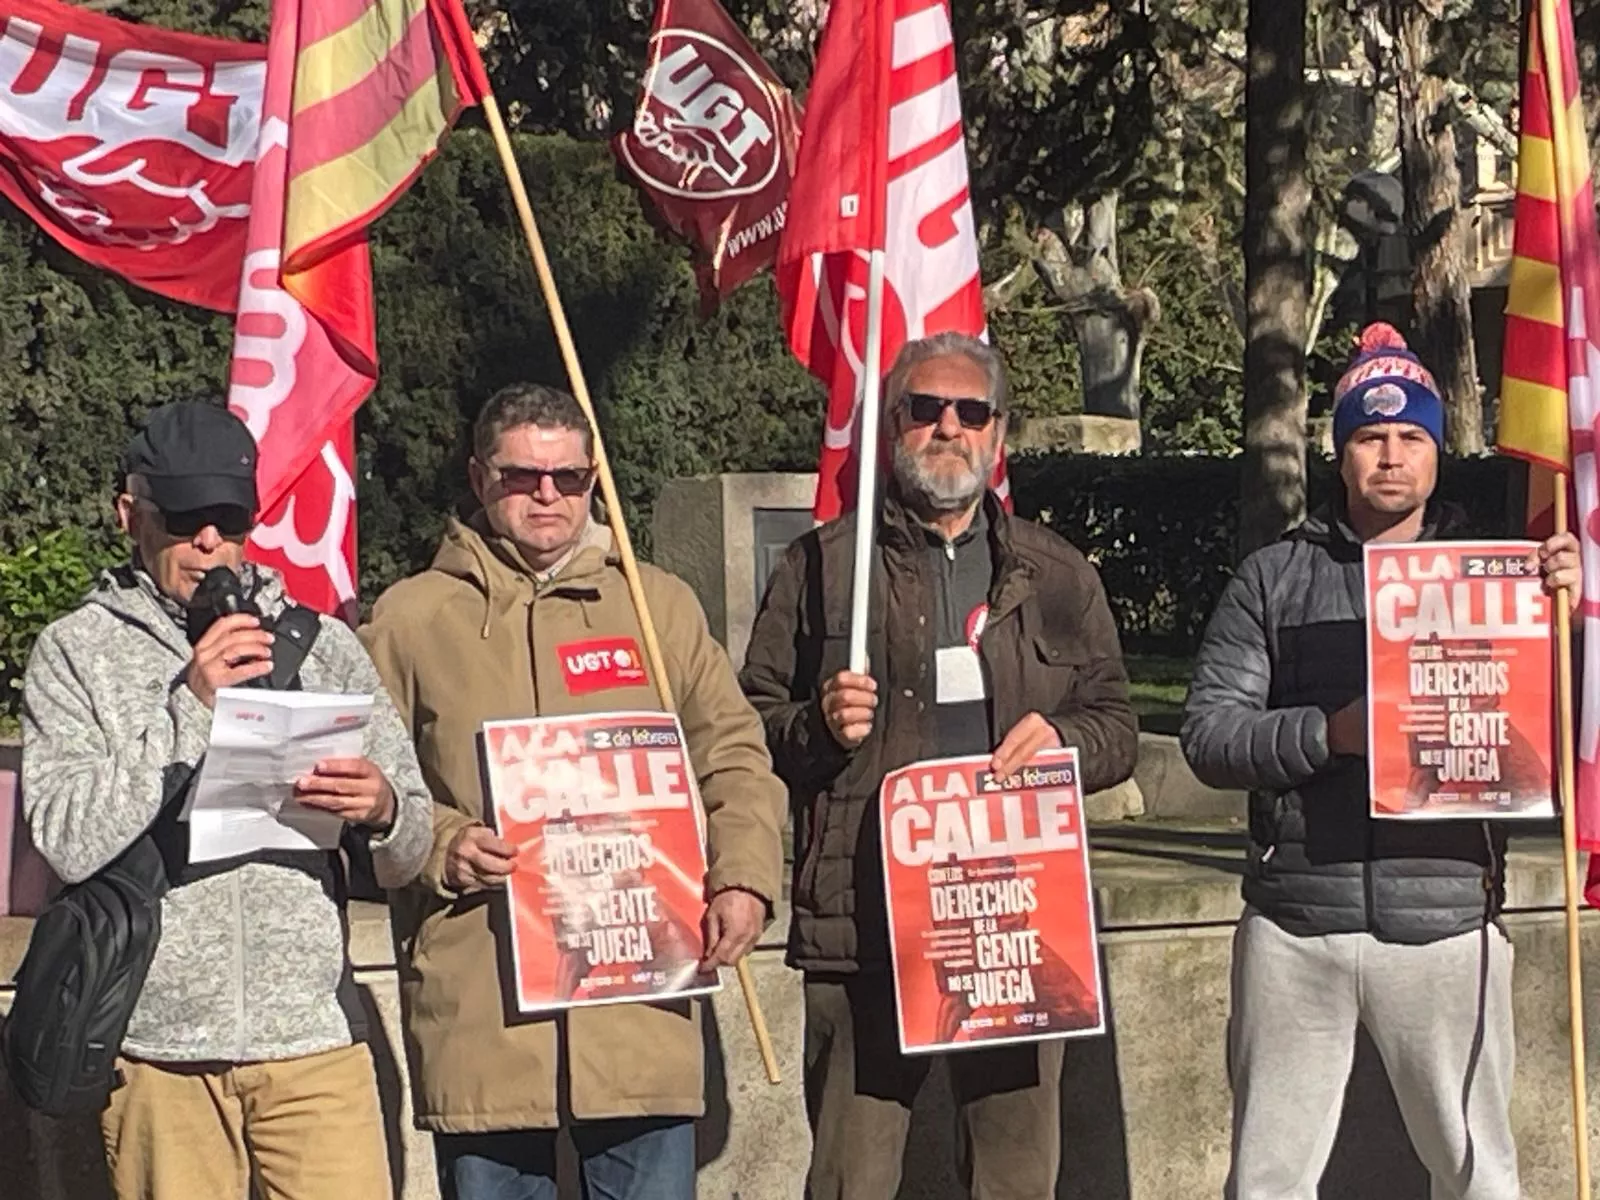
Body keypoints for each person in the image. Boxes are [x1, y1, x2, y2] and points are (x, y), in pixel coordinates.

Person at [1181, 323, 1582, 1200]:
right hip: (1296, 924)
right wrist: (1332, 736)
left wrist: (1572, 617)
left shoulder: (1506, 578)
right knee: (1267, 1179)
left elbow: (1565, 730)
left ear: (1438, 450)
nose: (1390, 457)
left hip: (1445, 923)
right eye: (1369, 435)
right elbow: (1210, 734)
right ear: (1340, 450)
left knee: (1479, 1173)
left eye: (1411, 437)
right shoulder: (1272, 577)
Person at [359, 383, 785, 1200]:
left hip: (640, 1015)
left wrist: (744, 877)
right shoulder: (409, 619)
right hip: (484, 1011)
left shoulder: (658, 606)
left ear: (595, 481)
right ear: (480, 478)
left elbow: (733, 753)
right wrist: (442, 842)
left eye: (569, 477)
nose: (547, 495)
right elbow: (369, 787)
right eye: (522, 476)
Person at [740, 332, 1139, 1200]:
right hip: (865, 921)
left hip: (1016, 924)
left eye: (971, 412)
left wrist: (1065, 741)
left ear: (999, 436)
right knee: (854, 1176)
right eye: (926, 409)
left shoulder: (1056, 572)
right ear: (893, 428)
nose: (948, 428)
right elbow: (750, 724)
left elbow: (1118, 727)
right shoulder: (822, 568)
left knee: (1015, 1177)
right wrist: (816, 725)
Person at [19, 401, 432, 1200]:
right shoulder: (76, 652)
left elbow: (413, 842)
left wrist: (380, 806)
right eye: (184, 517)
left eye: (229, 519)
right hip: (155, 1052)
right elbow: (67, 837)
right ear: (129, 514)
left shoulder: (324, 645)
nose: (209, 542)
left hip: (312, 1040)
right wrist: (191, 708)